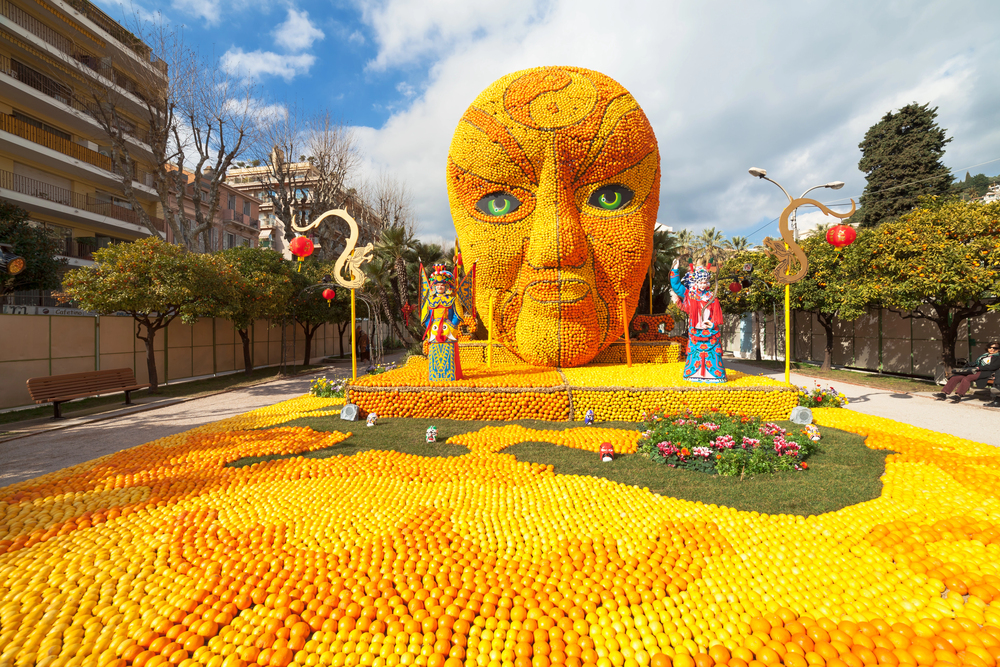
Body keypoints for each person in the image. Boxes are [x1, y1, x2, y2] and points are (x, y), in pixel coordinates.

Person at [669, 259, 726, 383]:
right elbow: (677, 286)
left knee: (712, 353)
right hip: (695, 330)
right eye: (700, 282)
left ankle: (714, 375)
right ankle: (694, 374)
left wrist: (712, 323)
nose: (703, 285)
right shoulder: (689, 295)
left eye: (705, 282)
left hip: (710, 331)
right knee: (695, 353)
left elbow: (716, 314)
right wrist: (675, 270)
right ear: (695, 282)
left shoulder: (712, 297)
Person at [420, 265, 464, 382]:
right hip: (434, 331)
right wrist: (430, 327)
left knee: (448, 352)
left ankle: (450, 375)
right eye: (437, 285)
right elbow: (425, 316)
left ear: (446, 286)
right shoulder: (429, 300)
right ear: (434, 286)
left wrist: (452, 326)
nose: (440, 287)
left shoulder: (453, 299)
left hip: (448, 330)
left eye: (442, 285)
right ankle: (435, 376)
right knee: (435, 352)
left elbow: (458, 314)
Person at [935, 341, 1000, 403]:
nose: (992, 349)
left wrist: (979, 368)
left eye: (995, 348)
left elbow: (993, 367)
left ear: (999, 349)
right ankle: (943, 393)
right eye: (990, 347)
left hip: (986, 372)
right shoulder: (984, 355)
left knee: (968, 378)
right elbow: (976, 363)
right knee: (955, 377)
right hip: (975, 370)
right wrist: (969, 365)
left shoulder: (998, 357)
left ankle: (958, 395)